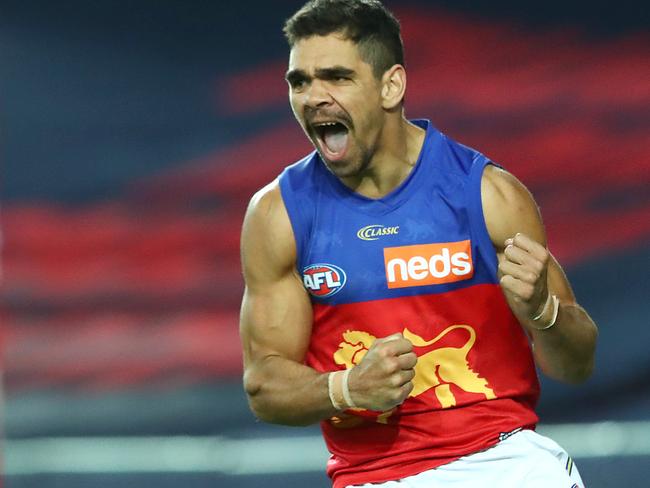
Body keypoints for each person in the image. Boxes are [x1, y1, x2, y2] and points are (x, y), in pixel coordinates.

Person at [239, 1, 598, 486]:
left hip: (505, 462)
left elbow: (576, 365)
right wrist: (347, 387)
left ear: (391, 86)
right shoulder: (278, 215)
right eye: (299, 81)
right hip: (375, 475)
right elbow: (264, 388)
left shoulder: (489, 195)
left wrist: (542, 311)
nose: (313, 97)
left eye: (336, 77)